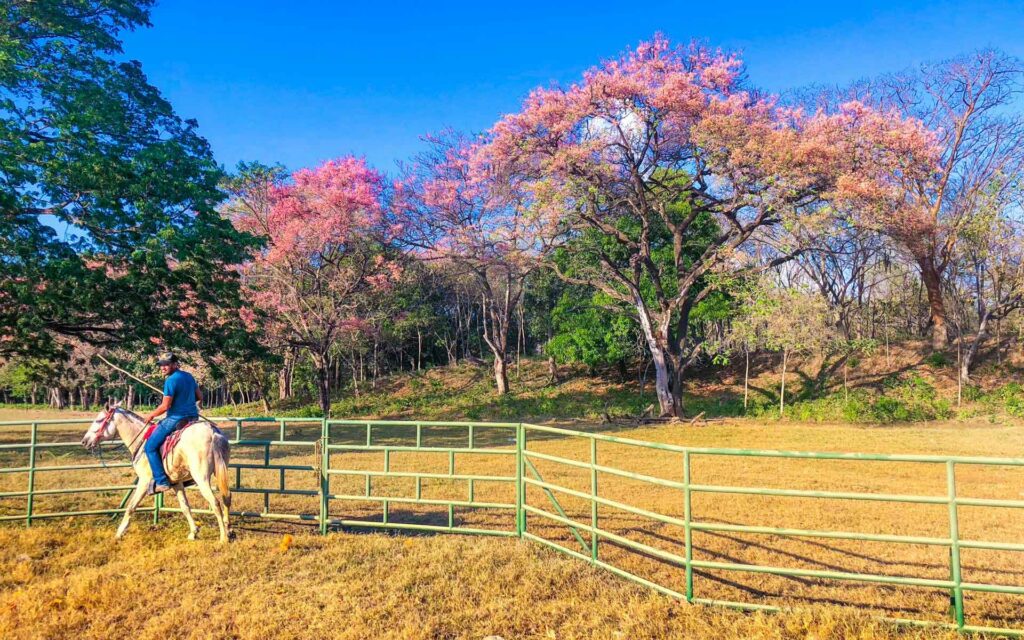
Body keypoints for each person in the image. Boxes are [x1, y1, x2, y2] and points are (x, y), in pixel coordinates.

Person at [141, 352, 201, 494]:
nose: (163, 367)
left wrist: (150, 415)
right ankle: (187, 478)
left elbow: (165, 406)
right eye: (161, 365)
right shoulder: (189, 376)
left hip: (176, 419)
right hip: (193, 418)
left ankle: (161, 481)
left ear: (175, 364)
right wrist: (186, 402)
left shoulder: (170, 381)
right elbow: (199, 396)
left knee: (149, 447)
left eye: (166, 364)